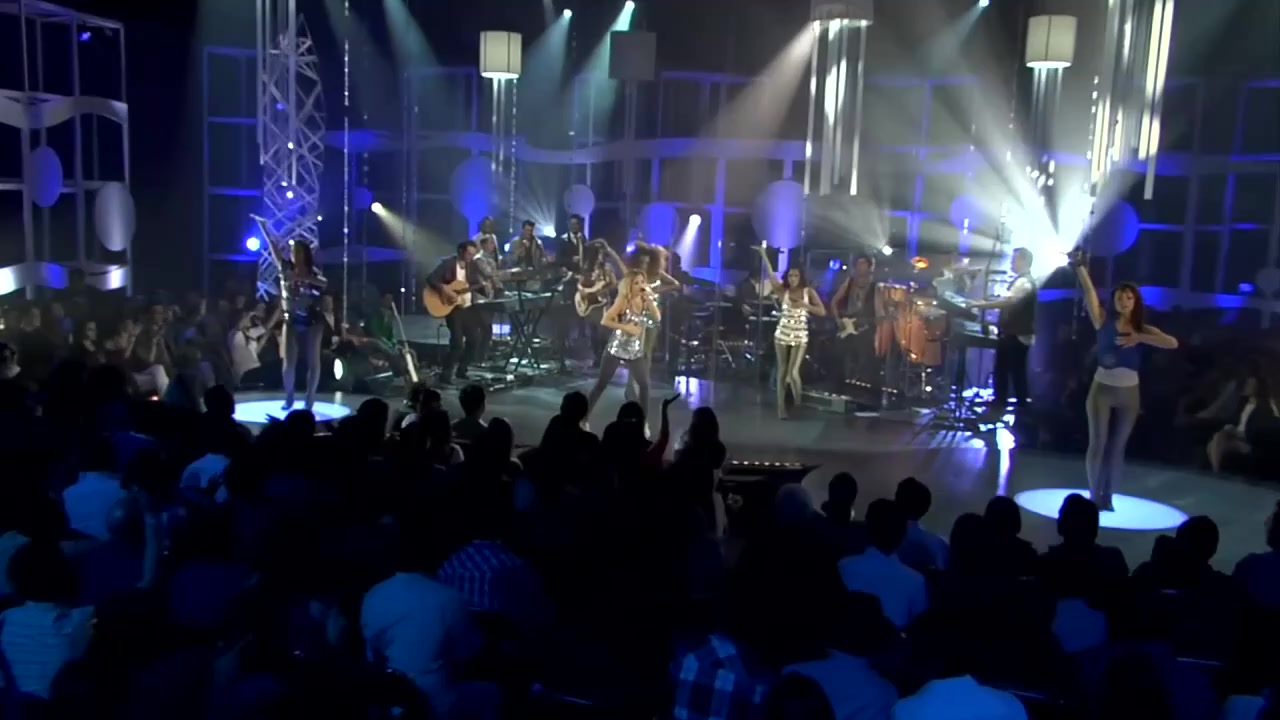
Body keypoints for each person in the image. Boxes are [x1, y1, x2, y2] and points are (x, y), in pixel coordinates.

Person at [1074, 261, 1178, 510]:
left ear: (1135, 302)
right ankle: (1094, 494)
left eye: (1129, 298)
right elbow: (1090, 293)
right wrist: (1080, 268)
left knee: (1117, 446)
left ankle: (1108, 495)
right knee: (1098, 442)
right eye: (1120, 297)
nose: (1124, 302)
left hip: (1130, 393)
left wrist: (1140, 337)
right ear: (1114, 300)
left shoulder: (1141, 328)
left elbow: (1172, 343)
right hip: (1102, 388)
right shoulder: (1102, 320)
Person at [258, 220, 329, 410]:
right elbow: (273, 248)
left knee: (313, 361)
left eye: (297, 251)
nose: (293, 254)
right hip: (291, 319)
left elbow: (324, 283)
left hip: (312, 320)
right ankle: (289, 396)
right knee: (288, 363)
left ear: (304, 254)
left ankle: (310, 398)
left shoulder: (313, 272)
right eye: (292, 251)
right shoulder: (285, 269)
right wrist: (264, 228)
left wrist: (304, 278)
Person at [753, 246, 826, 419]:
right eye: (790, 275)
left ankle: (798, 403)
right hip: (782, 333)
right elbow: (771, 275)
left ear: (801, 277)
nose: (793, 279)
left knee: (793, 373)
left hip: (800, 335)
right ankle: (781, 408)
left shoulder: (808, 292)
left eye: (796, 276)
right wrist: (764, 255)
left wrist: (806, 305)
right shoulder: (783, 291)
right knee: (782, 371)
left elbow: (822, 311)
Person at [837, 499, 928, 630]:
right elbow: (920, 628)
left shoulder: (844, 566)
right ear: (902, 535)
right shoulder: (916, 581)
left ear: (867, 528)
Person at [585, 270, 661, 422]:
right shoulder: (623, 300)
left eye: (642, 282)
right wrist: (626, 328)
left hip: (635, 351)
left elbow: (657, 318)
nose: (641, 286)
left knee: (644, 385)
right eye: (636, 283)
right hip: (617, 348)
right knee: (601, 384)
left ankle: (642, 423)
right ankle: (583, 418)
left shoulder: (646, 300)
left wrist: (650, 299)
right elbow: (605, 320)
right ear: (629, 286)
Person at [971, 247, 1038, 416]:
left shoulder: (1024, 282)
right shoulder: (1020, 281)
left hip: (1016, 335)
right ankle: (1011, 405)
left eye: (1014, 260)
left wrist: (980, 305)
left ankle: (1006, 406)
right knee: (1011, 371)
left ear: (1024, 261)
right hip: (1014, 334)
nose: (1011, 263)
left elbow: (1008, 301)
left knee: (1008, 371)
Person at [1205, 359, 1277, 473]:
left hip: (1248, 440)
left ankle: (1216, 472)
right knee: (1215, 440)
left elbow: (1260, 430)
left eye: (1250, 385)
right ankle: (1217, 471)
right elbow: (1235, 420)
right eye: (1247, 384)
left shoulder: (1264, 408)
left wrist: (1240, 434)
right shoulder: (1243, 403)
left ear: (1257, 388)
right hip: (1237, 435)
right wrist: (1231, 428)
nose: (1247, 387)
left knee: (1218, 442)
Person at [428, 240, 483, 384]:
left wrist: (486, 286)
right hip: (453, 308)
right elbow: (431, 279)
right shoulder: (448, 264)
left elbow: (477, 283)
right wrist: (445, 289)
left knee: (474, 340)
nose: (471, 257)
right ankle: (446, 375)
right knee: (457, 343)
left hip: (468, 307)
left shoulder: (473, 266)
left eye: (473, 254)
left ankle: (462, 370)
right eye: (469, 254)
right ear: (460, 251)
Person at [830, 255, 882, 388]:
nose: (860, 267)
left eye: (863, 264)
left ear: (869, 268)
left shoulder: (875, 287)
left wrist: (881, 319)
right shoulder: (849, 282)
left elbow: (879, 313)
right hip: (847, 327)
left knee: (866, 358)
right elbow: (834, 302)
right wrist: (838, 320)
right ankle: (839, 386)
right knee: (838, 355)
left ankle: (863, 388)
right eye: (858, 264)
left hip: (865, 329)